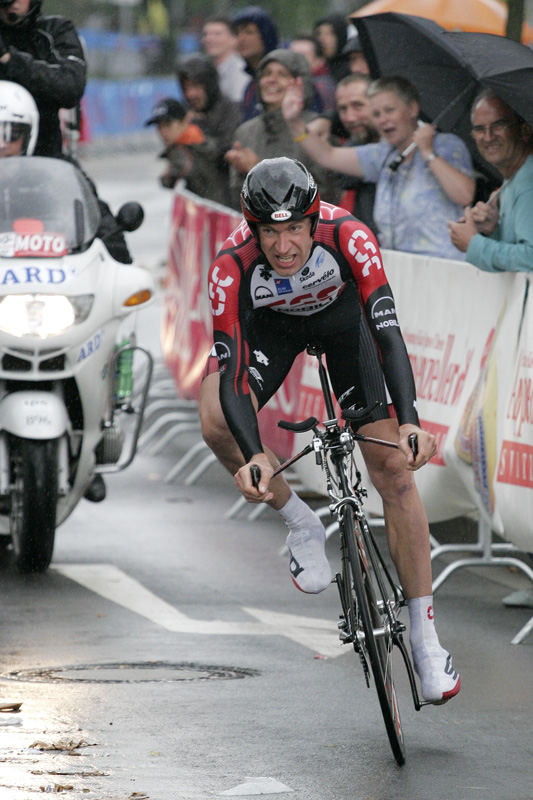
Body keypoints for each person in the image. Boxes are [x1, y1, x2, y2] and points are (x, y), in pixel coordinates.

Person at [199, 156, 460, 704]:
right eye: (270, 232)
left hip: (343, 323)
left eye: (294, 229)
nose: (284, 246)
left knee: (393, 469)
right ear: (253, 228)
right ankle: (300, 524)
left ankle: (425, 636)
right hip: (269, 329)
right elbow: (231, 374)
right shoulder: (230, 266)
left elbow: (388, 336)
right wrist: (253, 454)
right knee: (216, 421)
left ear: (313, 219)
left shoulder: (351, 237)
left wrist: (409, 421)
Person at [282, 74, 475, 259]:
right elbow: (327, 155)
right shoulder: (383, 154)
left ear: (412, 108)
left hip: (447, 269)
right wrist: (294, 122)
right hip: (402, 270)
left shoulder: (446, 145)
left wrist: (428, 153)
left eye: (389, 110)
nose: (383, 119)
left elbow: (464, 195)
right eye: (376, 114)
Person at [225, 48, 341, 210]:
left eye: (282, 74)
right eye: (266, 73)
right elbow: (236, 201)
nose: (272, 80)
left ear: (300, 83)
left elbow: (326, 195)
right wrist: (240, 172)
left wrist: (259, 173)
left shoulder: (314, 128)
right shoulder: (245, 131)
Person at [448, 90, 533, 272]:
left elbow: (530, 258)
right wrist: (492, 229)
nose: (488, 137)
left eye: (498, 126)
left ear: (525, 130)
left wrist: (474, 244)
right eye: (479, 129)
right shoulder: (513, 178)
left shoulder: (528, 182)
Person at [0, 0, 86, 157]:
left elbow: (71, 86)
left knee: (80, 179)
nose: (12, 2)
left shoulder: (55, 30)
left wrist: (9, 60)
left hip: (44, 159)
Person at [175, 54, 241, 201]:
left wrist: (198, 132)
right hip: (197, 203)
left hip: (228, 201)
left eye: (196, 87)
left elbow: (225, 157)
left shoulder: (231, 111)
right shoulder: (185, 115)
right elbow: (175, 173)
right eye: (186, 88)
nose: (190, 94)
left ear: (209, 85)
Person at [144, 97, 227, 204]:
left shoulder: (194, 147)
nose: (163, 132)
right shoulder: (192, 143)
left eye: (168, 125)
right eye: (159, 127)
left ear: (184, 122)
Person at [334, 73, 379, 232]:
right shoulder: (351, 147)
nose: (349, 117)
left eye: (358, 105)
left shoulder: (405, 148)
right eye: (343, 109)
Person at [231, 5, 279, 122]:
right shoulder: (250, 87)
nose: (241, 39)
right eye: (237, 33)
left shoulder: (280, 81)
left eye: (249, 32)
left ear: (266, 36)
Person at [201, 15, 249, 104]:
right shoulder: (208, 69)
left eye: (217, 34)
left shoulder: (240, 70)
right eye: (205, 34)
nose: (209, 39)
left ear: (234, 39)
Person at [289, 33, 336, 113]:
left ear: (319, 61)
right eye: (291, 55)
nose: (294, 60)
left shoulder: (323, 87)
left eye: (302, 56)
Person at [312, 14, 351, 85]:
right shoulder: (316, 68)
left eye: (330, 33)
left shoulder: (351, 68)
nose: (322, 39)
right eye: (319, 34)